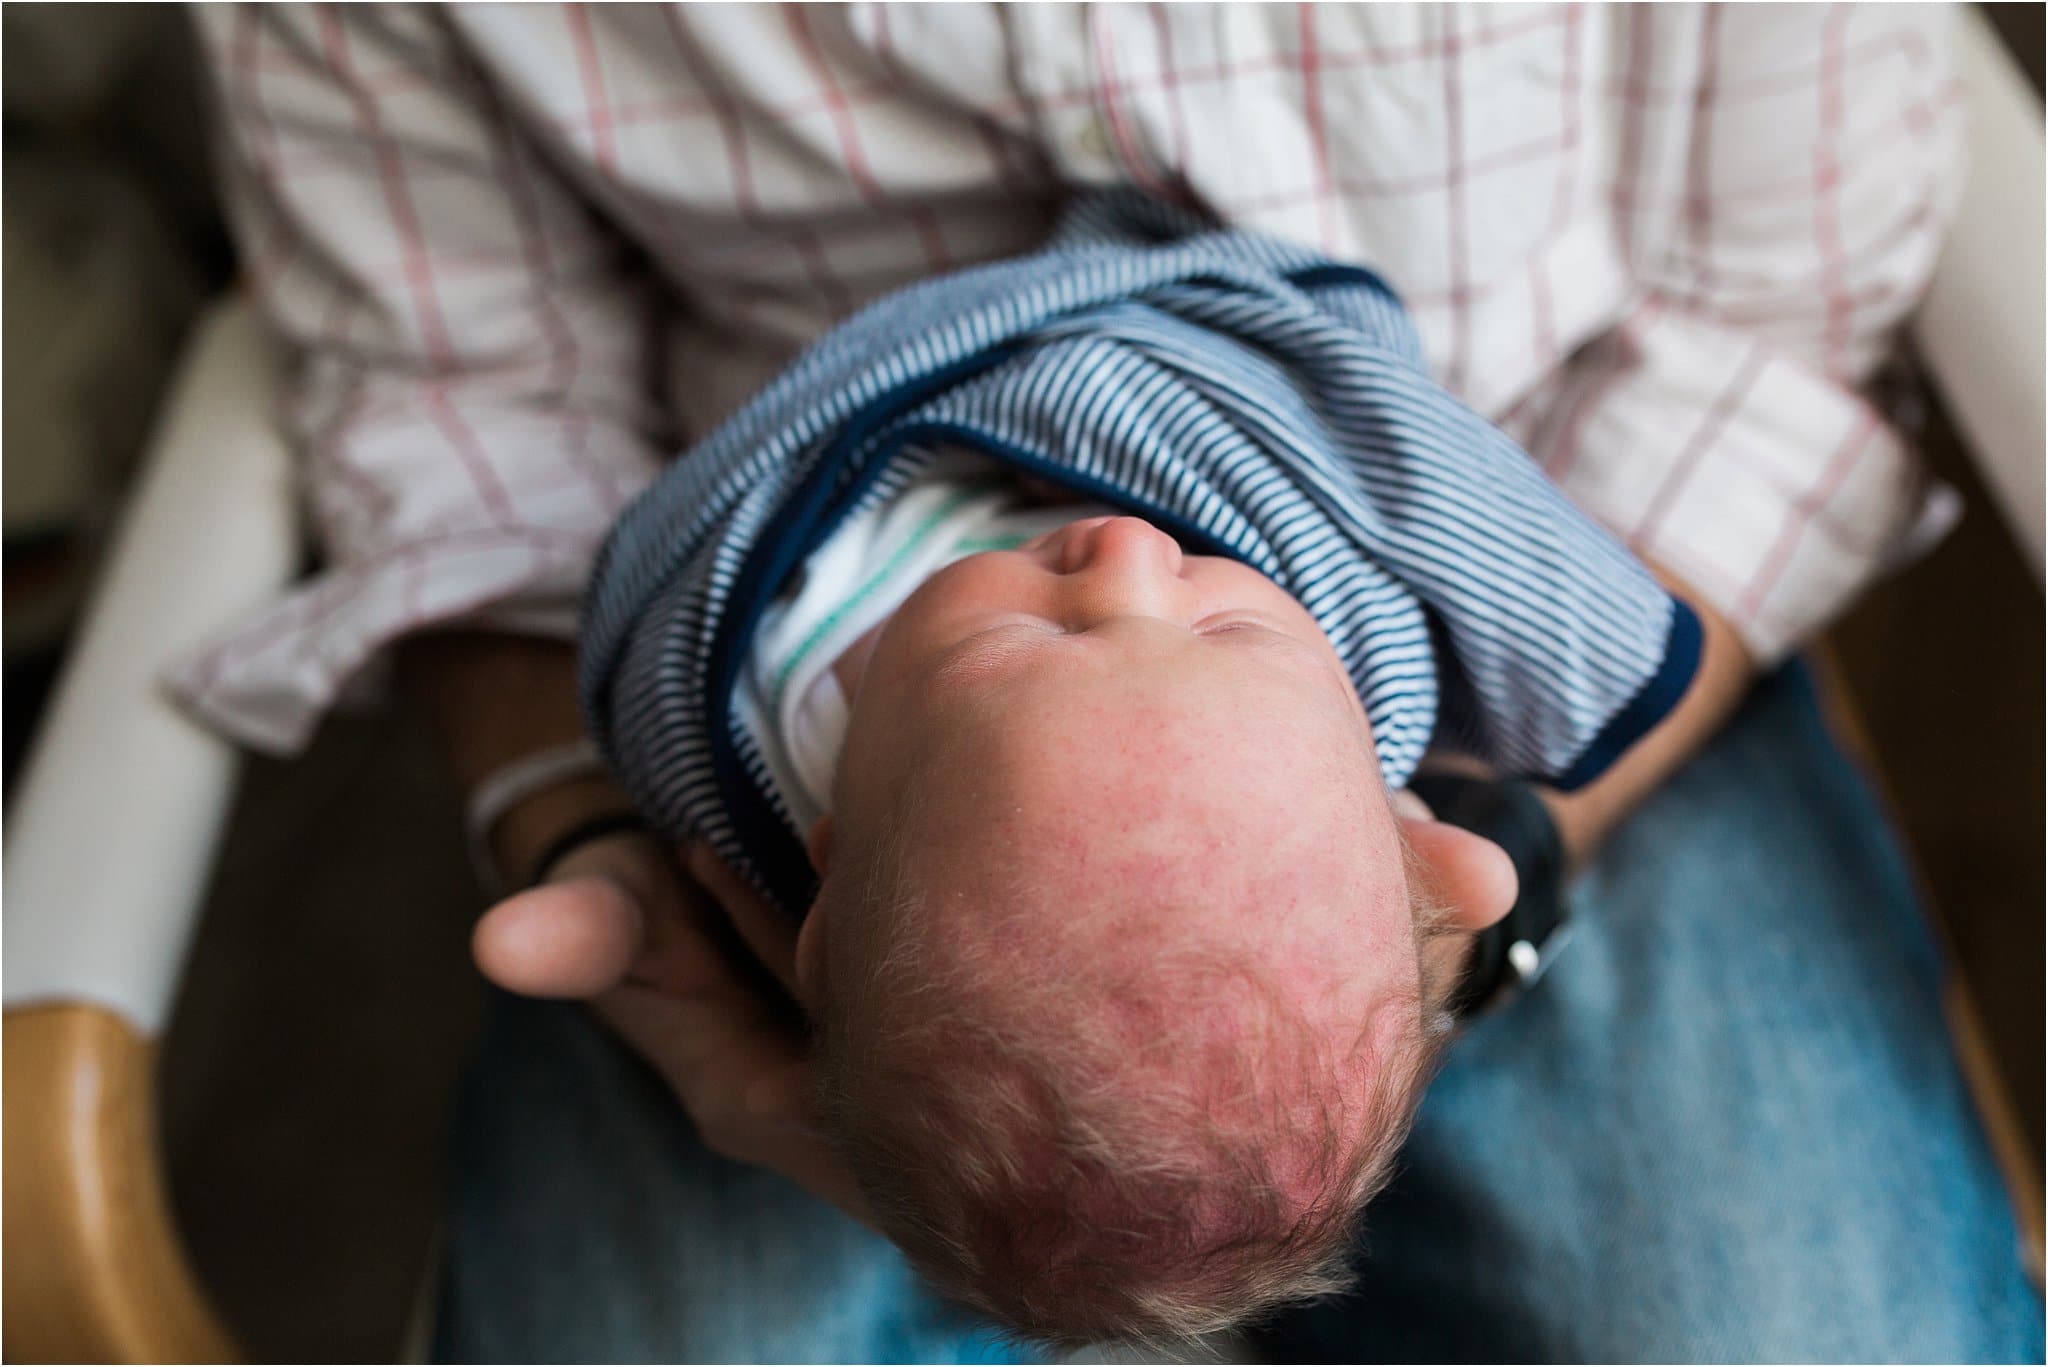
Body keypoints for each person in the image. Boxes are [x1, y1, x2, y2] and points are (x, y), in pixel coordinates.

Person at [184, 5, 2040, 1360]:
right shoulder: (726, 744)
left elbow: (1769, 320)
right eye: (1030, 626)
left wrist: (1528, 825)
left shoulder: (1421, 674)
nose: (1132, 557)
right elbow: (463, 412)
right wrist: (585, 821)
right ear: (814, 876)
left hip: (1555, 542)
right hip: (763, 541)